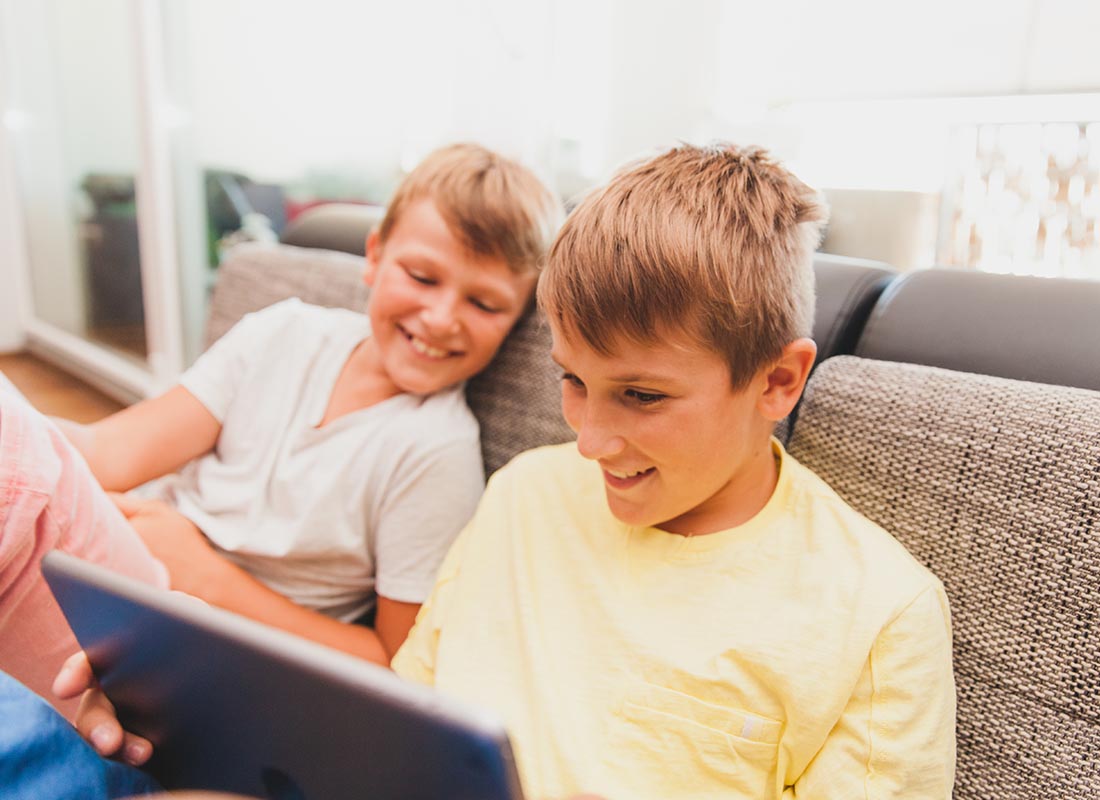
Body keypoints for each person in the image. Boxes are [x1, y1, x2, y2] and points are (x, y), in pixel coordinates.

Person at [62, 143, 955, 799]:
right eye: (573, 381)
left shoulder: (876, 616)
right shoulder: (526, 491)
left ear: (778, 381)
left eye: (641, 397)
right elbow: (385, 725)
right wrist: (173, 698)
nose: (591, 441)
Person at [1, 143, 561, 716]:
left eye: (485, 304)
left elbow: (395, 664)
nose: (442, 318)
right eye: (421, 277)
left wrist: (206, 577)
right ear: (374, 256)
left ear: (516, 320)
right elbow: (107, 453)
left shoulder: (435, 451)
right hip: (120, 581)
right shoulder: (282, 333)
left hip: (213, 644)